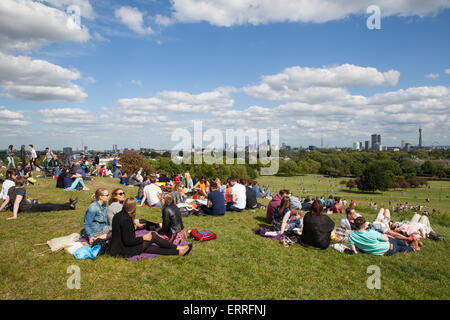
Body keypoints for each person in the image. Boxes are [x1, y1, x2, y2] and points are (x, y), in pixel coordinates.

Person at [109, 197, 192, 258]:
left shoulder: (119, 215)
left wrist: (133, 224)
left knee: (149, 248)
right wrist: (143, 237)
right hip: (123, 250)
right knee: (153, 236)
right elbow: (128, 241)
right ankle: (177, 247)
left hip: (116, 248)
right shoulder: (125, 220)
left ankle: (178, 252)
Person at [0, 176, 77, 220]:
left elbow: (7, 200)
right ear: (22, 183)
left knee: (48, 205)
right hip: (29, 208)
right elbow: (16, 202)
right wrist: (14, 216)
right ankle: (70, 206)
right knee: (49, 206)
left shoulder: (11, 188)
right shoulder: (21, 190)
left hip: (28, 206)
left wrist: (0, 209)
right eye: (25, 183)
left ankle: (69, 204)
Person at [348, 216, 419, 255]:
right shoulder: (371, 232)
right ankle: (411, 246)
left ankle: (409, 245)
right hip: (388, 249)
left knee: (397, 246)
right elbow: (386, 239)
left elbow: (353, 249)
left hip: (378, 252)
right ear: (365, 225)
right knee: (392, 240)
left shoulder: (351, 235)